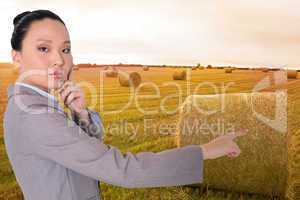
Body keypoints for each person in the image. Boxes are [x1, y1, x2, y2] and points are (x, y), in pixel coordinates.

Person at [3, 10, 246, 200]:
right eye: (43, 48)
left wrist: (81, 115)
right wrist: (205, 151)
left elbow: (85, 157)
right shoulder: (34, 115)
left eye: (65, 49)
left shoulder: (34, 106)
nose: (59, 59)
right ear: (17, 57)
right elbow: (122, 169)